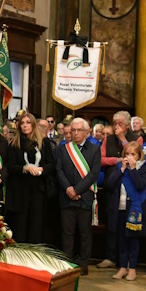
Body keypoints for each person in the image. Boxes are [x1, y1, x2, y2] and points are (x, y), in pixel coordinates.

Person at [55, 118, 101, 275]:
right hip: (66, 196)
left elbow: (94, 173)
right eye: (72, 130)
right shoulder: (63, 149)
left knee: (84, 233)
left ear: (87, 132)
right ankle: (67, 262)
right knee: (67, 232)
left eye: (79, 130)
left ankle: (83, 263)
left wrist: (77, 190)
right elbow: (59, 170)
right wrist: (68, 188)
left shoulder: (94, 149)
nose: (75, 133)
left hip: (85, 197)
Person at [97, 111, 142, 269]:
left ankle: (127, 261)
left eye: (120, 124)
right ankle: (110, 257)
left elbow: (138, 157)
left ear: (128, 124)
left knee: (128, 226)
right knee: (111, 222)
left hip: (131, 188)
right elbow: (101, 160)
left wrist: (123, 139)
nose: (116, 127)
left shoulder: (137, 138)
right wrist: (117, 160)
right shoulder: (107, 139)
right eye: (114, 123)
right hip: (112, 184)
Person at [6, 112, 55, 244]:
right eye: (22, 123)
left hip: (39, 188)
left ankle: (35, 252)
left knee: (37, 221)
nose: (25, 126)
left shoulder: (43, 142)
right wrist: (25, 168)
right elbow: (10, 166)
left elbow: (51, 164)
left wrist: (42, 169)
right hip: (21, 188)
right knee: (21, 222)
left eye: (28, 123)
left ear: (33, 125)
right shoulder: (14, 143)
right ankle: (21, 252)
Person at [105, 142, 146, 281]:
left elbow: (140, 185)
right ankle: (123, 267)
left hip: (134, 210)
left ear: (139, 156)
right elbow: (110, 184)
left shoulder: (143, 169)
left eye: (133, 154)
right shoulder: (120, 168)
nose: (129, 157)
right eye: (127, 154)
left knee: (133, 240)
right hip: (120, 208)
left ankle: (132, 268)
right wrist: (122, 169)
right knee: (122, 239)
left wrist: (133, 169)